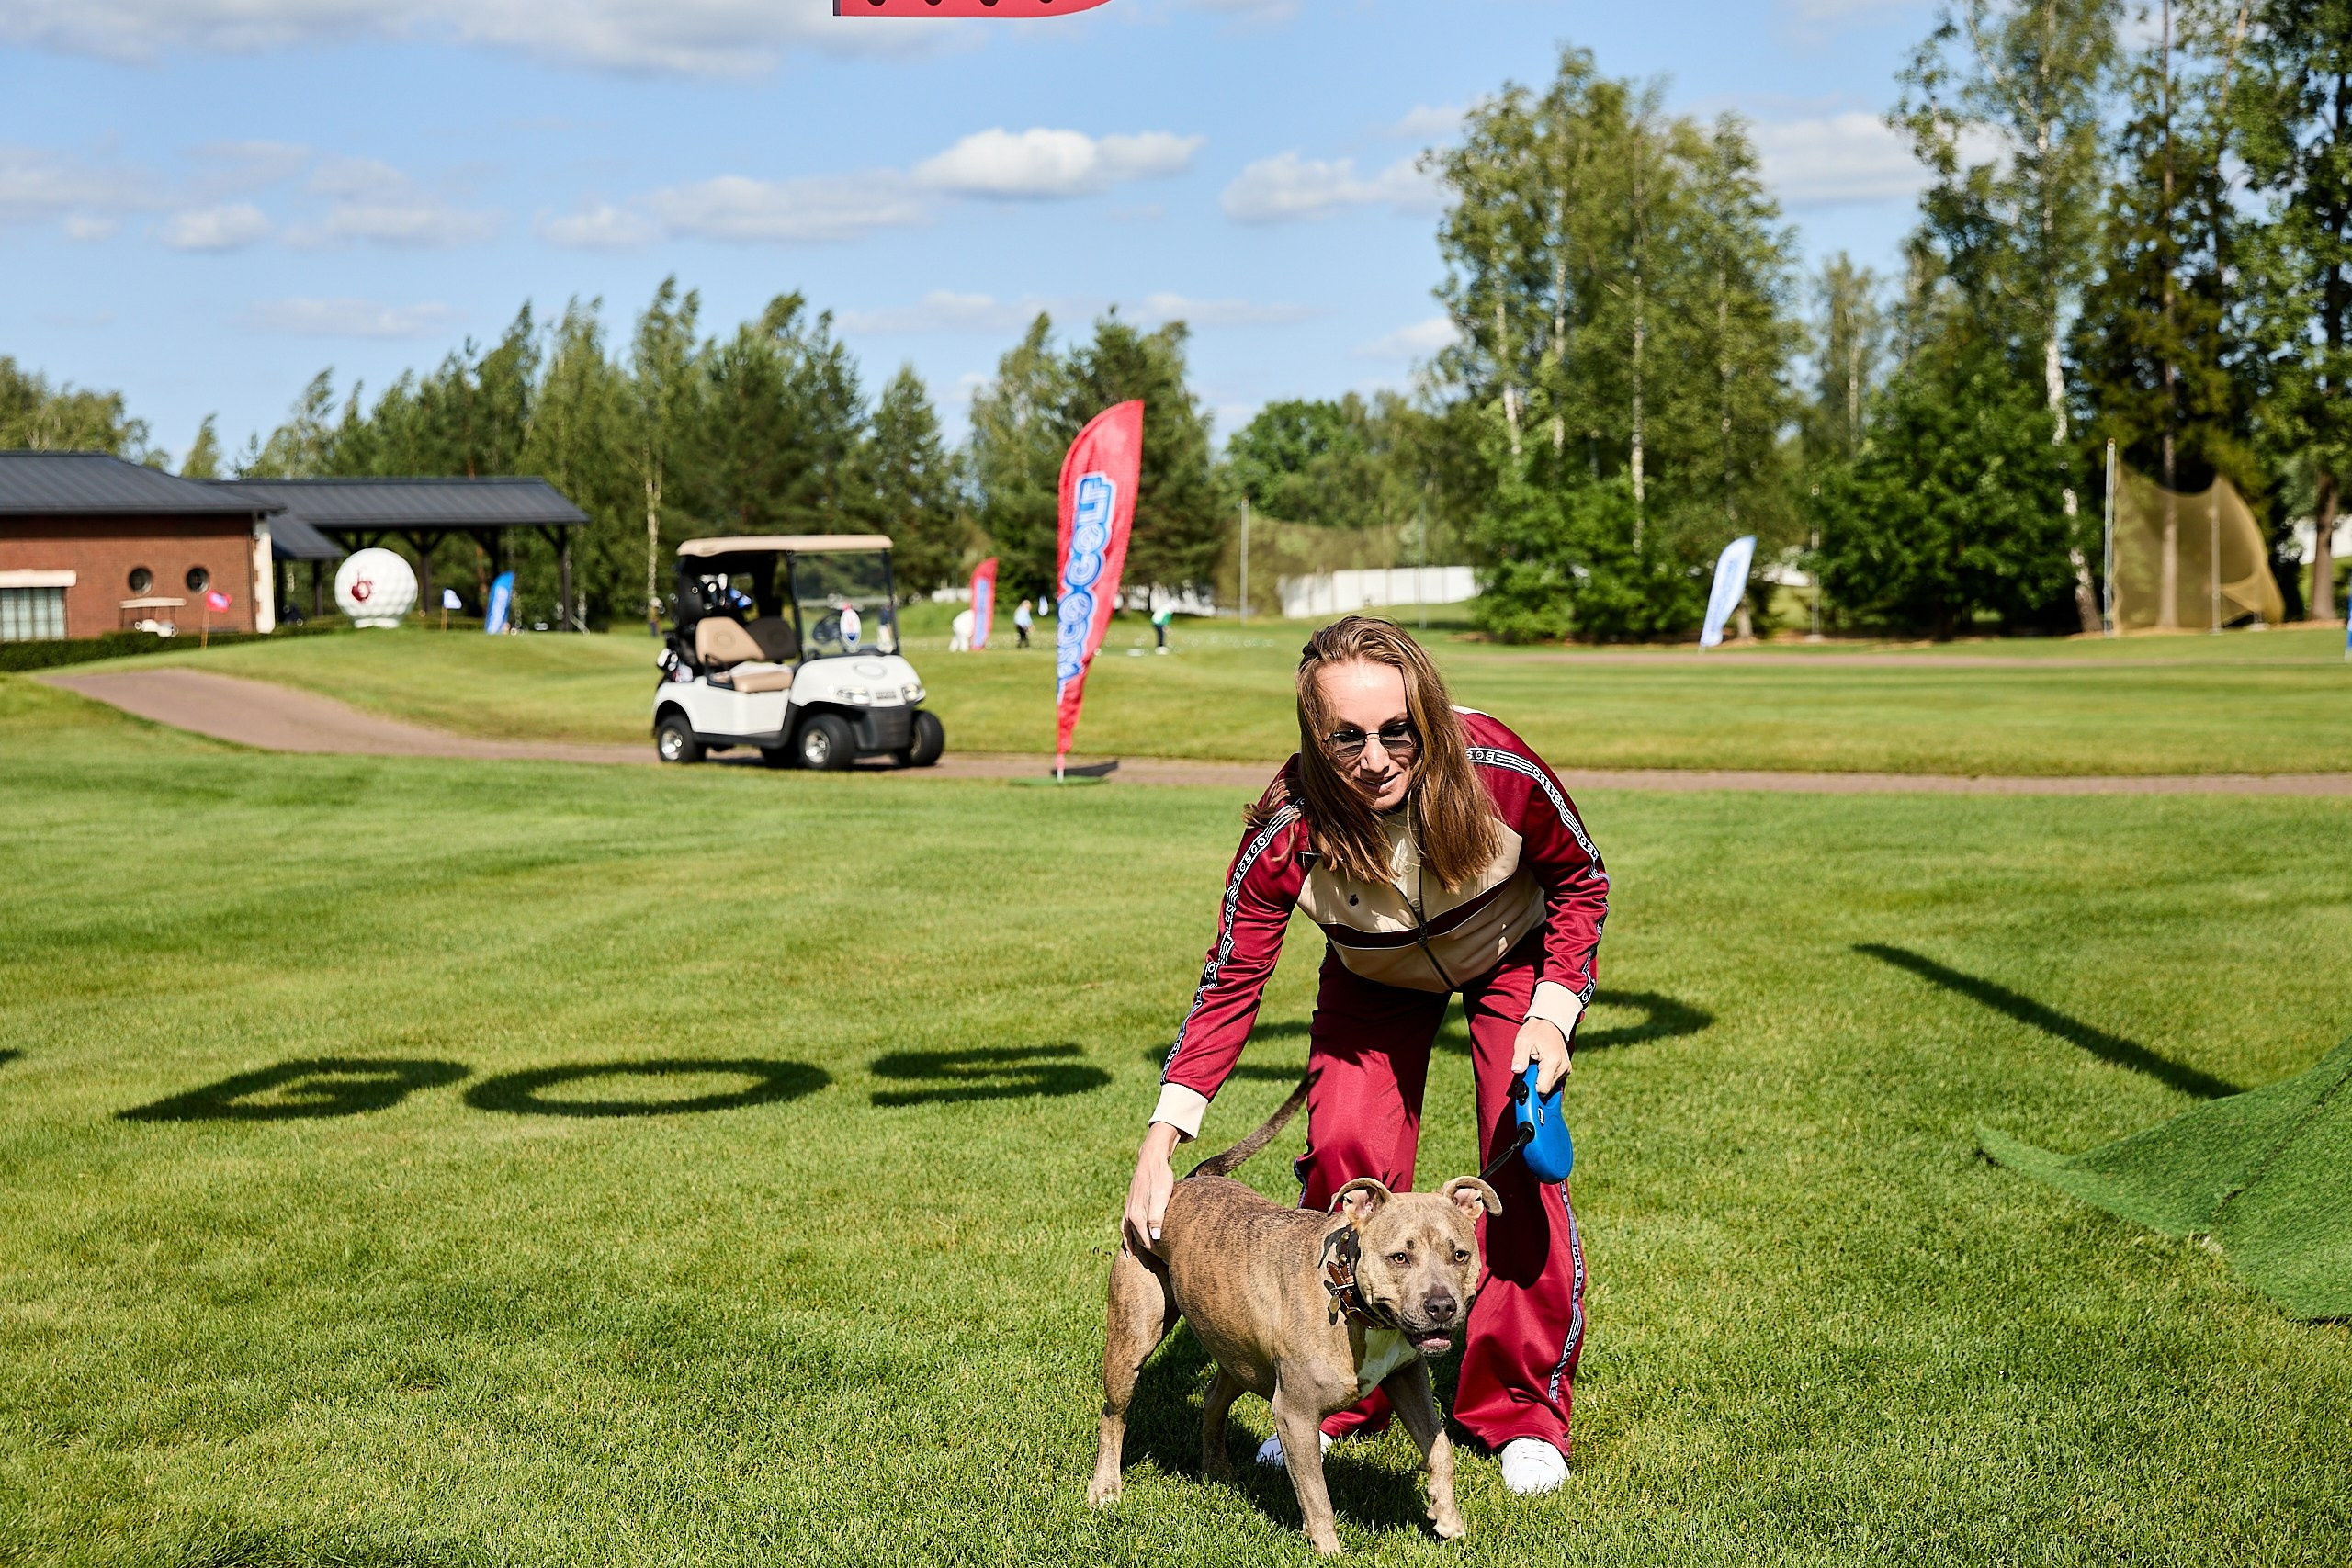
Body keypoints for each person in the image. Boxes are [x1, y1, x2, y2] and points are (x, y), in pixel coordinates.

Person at [1121, 615, 1607, 1497]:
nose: (1377, 757)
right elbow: (1233, 976)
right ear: (1315, 735)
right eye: (1349, 737)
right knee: (1347, 1146)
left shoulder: (1499, 770)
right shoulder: (1287, 823)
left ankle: (1521, 1408)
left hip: (1511, 955)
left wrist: (1552, 1012)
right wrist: (1164, 1135)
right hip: (1372, 972)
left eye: (1398, 731)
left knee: (1520, 1154)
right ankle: (1339, 1392)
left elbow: (1583, 881)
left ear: (1426, 715)